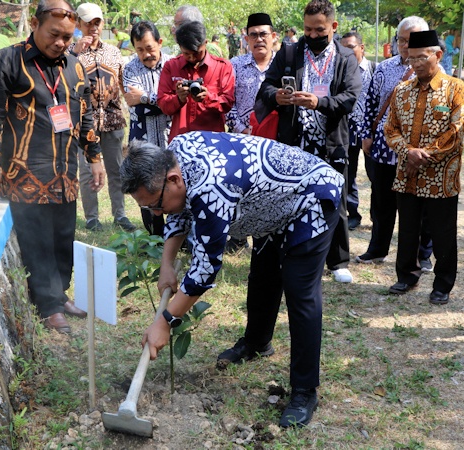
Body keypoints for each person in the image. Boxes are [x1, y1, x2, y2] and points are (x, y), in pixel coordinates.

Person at [120, 132, 344, 428]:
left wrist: (164, 322)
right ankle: (256, 343)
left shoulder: (212, 185)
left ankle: (305, 392)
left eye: (155, 205)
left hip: (309, 198)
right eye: (148, 208)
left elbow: (205, 269)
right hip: (267, 209)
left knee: (300, 292)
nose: (156, 213)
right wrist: (166, 264)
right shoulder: (171, 158)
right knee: (263, 277)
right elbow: (177, 212)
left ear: (173, 179)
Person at [0, 0, 105, 334]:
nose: (60, 42)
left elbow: (85, 113)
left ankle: (60, 296)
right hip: (25, 174)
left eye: (66, 36)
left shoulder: (74, 66)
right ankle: (47, 306)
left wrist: (95, 157)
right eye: (53, 34)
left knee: (63, 237)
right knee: (37, 240)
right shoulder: (5, 60)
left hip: (66, 173)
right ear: (34, 22)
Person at [257, 0, 362, 284]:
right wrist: (276, 96)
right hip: (294, 141)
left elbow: (350, 98)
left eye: (319, 30)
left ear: (333, 27)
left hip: (330, 143)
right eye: (307, 29)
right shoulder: (291, 52)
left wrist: (318, 102)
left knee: (335, 200)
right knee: (291, 197)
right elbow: (267, 85)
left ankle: (338, 260)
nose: (313, 35)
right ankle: (291, 251)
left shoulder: (345, 58)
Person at [385, 29, 464, 305]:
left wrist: (423, 154)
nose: (416, 64)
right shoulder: (401, 91)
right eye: (411, 59)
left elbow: (457, 130)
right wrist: (407, 152)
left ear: (438, 54)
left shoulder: (456, 88)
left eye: (422, 57)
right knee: (408, 229)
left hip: (440, 177)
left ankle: (443, 284)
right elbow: (391, 129)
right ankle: (406, 275)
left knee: (443, 233)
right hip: (406, 175)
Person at [357, 16, 434, 271]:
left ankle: (423, 255)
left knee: (420, 205)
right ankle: (378, 248)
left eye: (409, 41)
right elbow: (370, 104)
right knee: (381, 202)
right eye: (401, 40)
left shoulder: (435, 71)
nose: (404, 45)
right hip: (384, 147)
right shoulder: (384, 68)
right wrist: (366, 134)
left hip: (417, 151)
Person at [71, 3, 136, 233]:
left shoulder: (114, 52)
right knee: (88, 170)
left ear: (102, 23)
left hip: (112, 121)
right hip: (84, 123)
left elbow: (123, 84)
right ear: (78, 24)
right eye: (87, 22)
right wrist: (75, 53)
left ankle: (120, 215)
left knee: (117, 169)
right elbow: (62, 80)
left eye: (97, 22)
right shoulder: (71, 52)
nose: (93, 27)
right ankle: (92, 218)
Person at [224, 12, 277, 254]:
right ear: (246, 38)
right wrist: (240, 128)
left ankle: (267, 236)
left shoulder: (283, 65)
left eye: (263, 34)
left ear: (273, 36)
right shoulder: (235, 65)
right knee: (240, 189)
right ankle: (238, 237)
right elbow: (227, 103)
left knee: (270, 190)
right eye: (253, 35)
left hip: (275, 141)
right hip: (242, 139)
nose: (259, 39)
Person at [123, 20, 173, 236]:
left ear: (160, 43)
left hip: (170, 136)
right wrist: (164, 101)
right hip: (141, 139)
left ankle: (175, 233)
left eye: (150, 48)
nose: (146, 54)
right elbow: (140, 108)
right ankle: (154, 236)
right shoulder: (129, 69)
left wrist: (145, 97)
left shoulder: (173, 65)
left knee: (172, 183)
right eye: (140, 50)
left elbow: (173, 104)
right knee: (144, 183)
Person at [158, 21, 235, 142]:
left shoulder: (223, 67)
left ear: (205, 43)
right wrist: (178, 99)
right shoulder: (171, 67)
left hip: (212, 141)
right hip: (181, 140)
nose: (192, 58)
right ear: (179, 47)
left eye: (197, 53)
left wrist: (208, 98)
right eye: (186, 54)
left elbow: (228, 103)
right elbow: (163, 104)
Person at [340, 31, 373, 231]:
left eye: (351, 46)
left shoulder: (374, 69)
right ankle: (353, 213)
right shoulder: (341, 69)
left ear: (362, 47)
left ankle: (378, 216)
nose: (347, 51)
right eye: (343, 47)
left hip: (371, 131)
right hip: (347, 128)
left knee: (374, 175)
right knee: (348, 173)